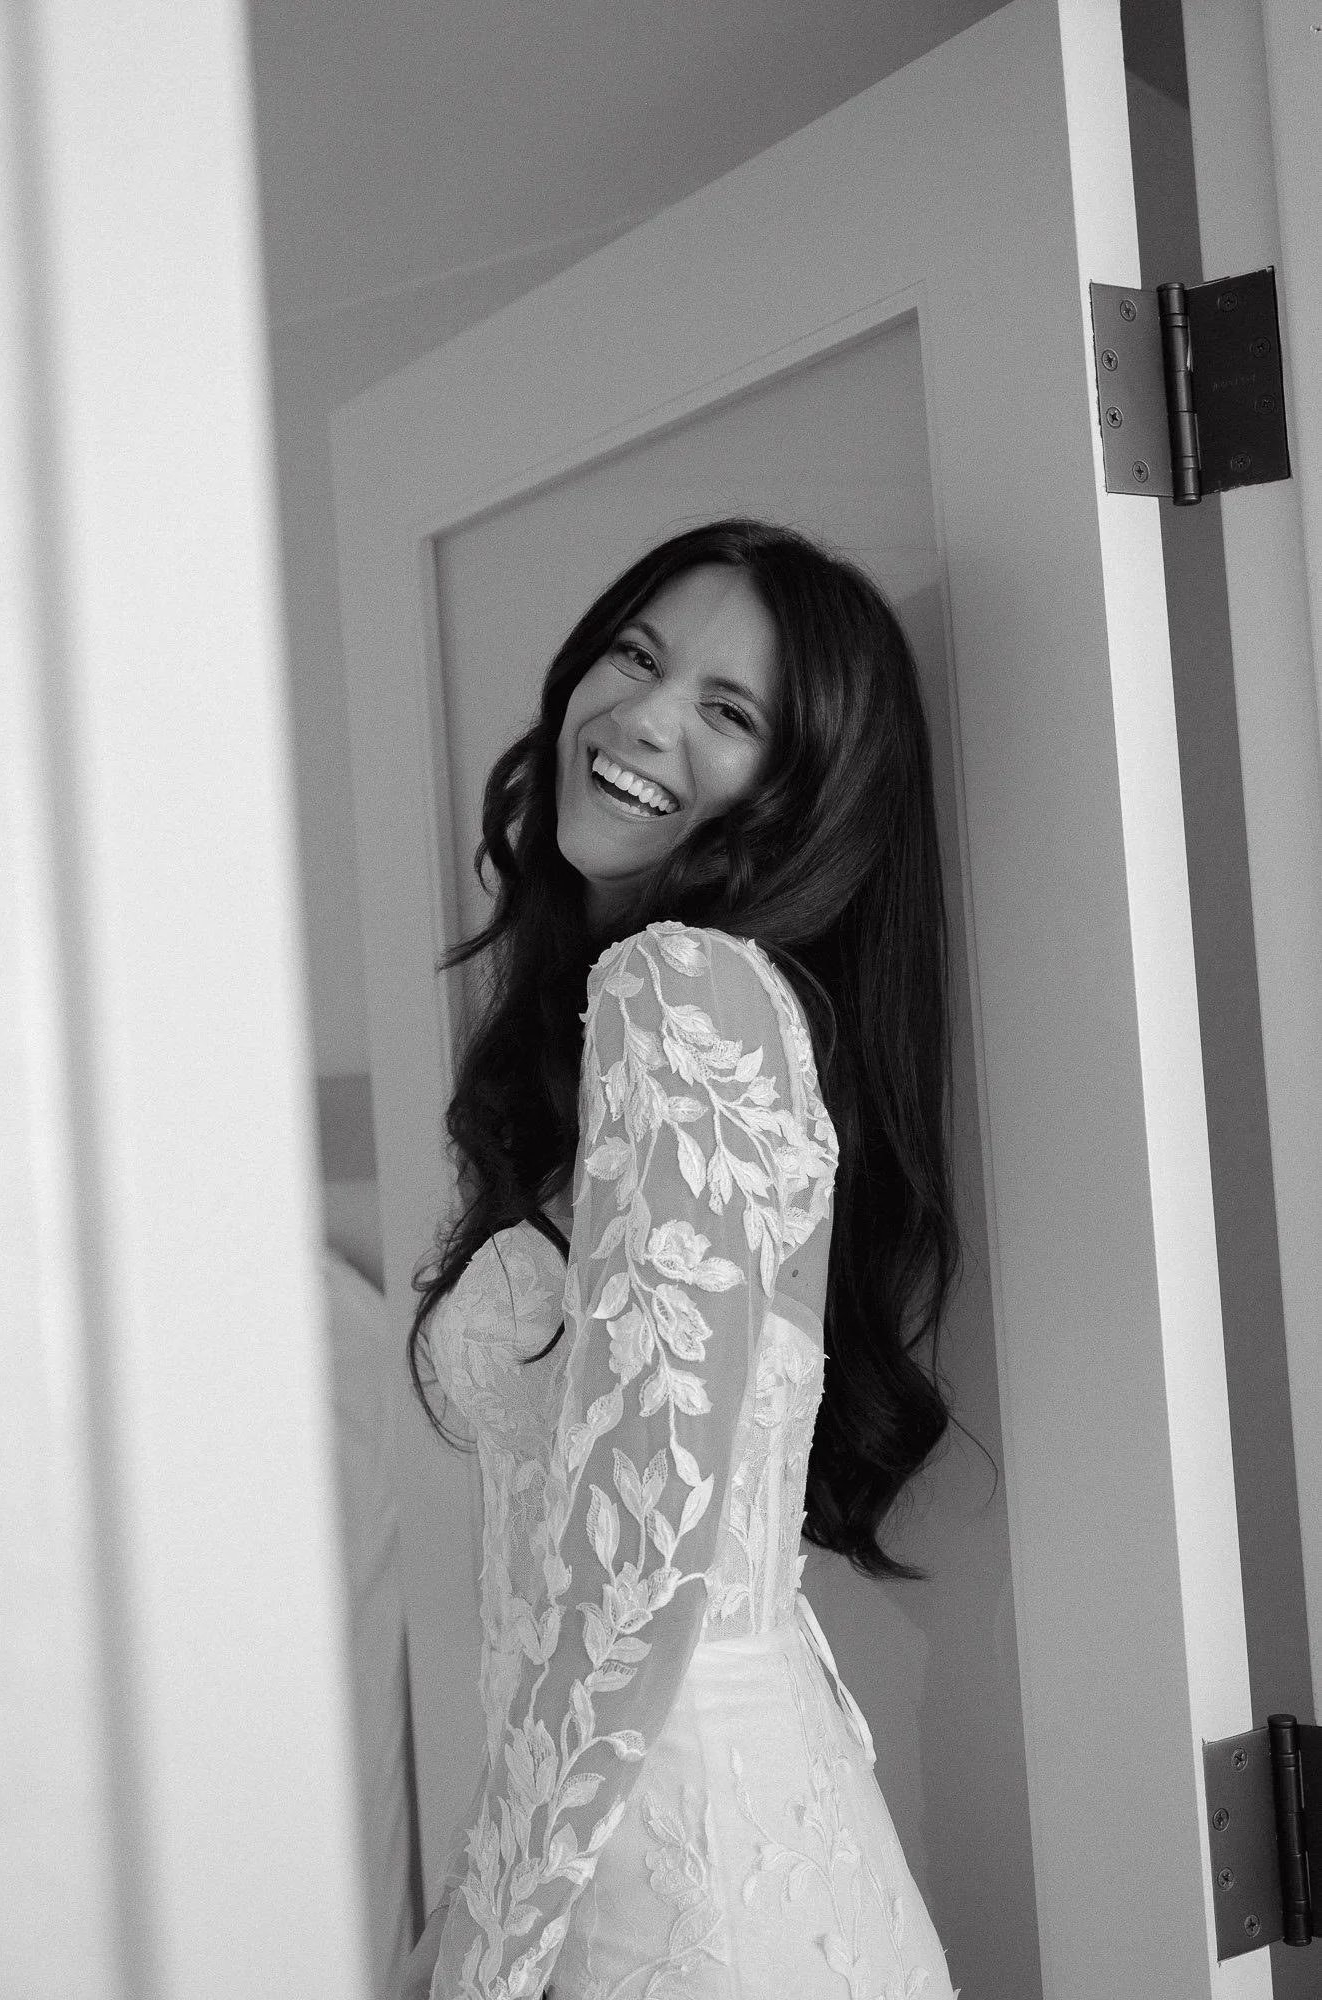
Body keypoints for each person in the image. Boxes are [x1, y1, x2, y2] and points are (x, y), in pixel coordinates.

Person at [398, 520, 961, 1999]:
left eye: (728, 710)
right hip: (644, 1839)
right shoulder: (645, 1014)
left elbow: (636, 1570)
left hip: (688, 1890)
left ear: (801, 793)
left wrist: (477, 1966)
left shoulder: (683, 993)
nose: (643, 718)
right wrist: (470, 1907)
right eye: (636, 655)